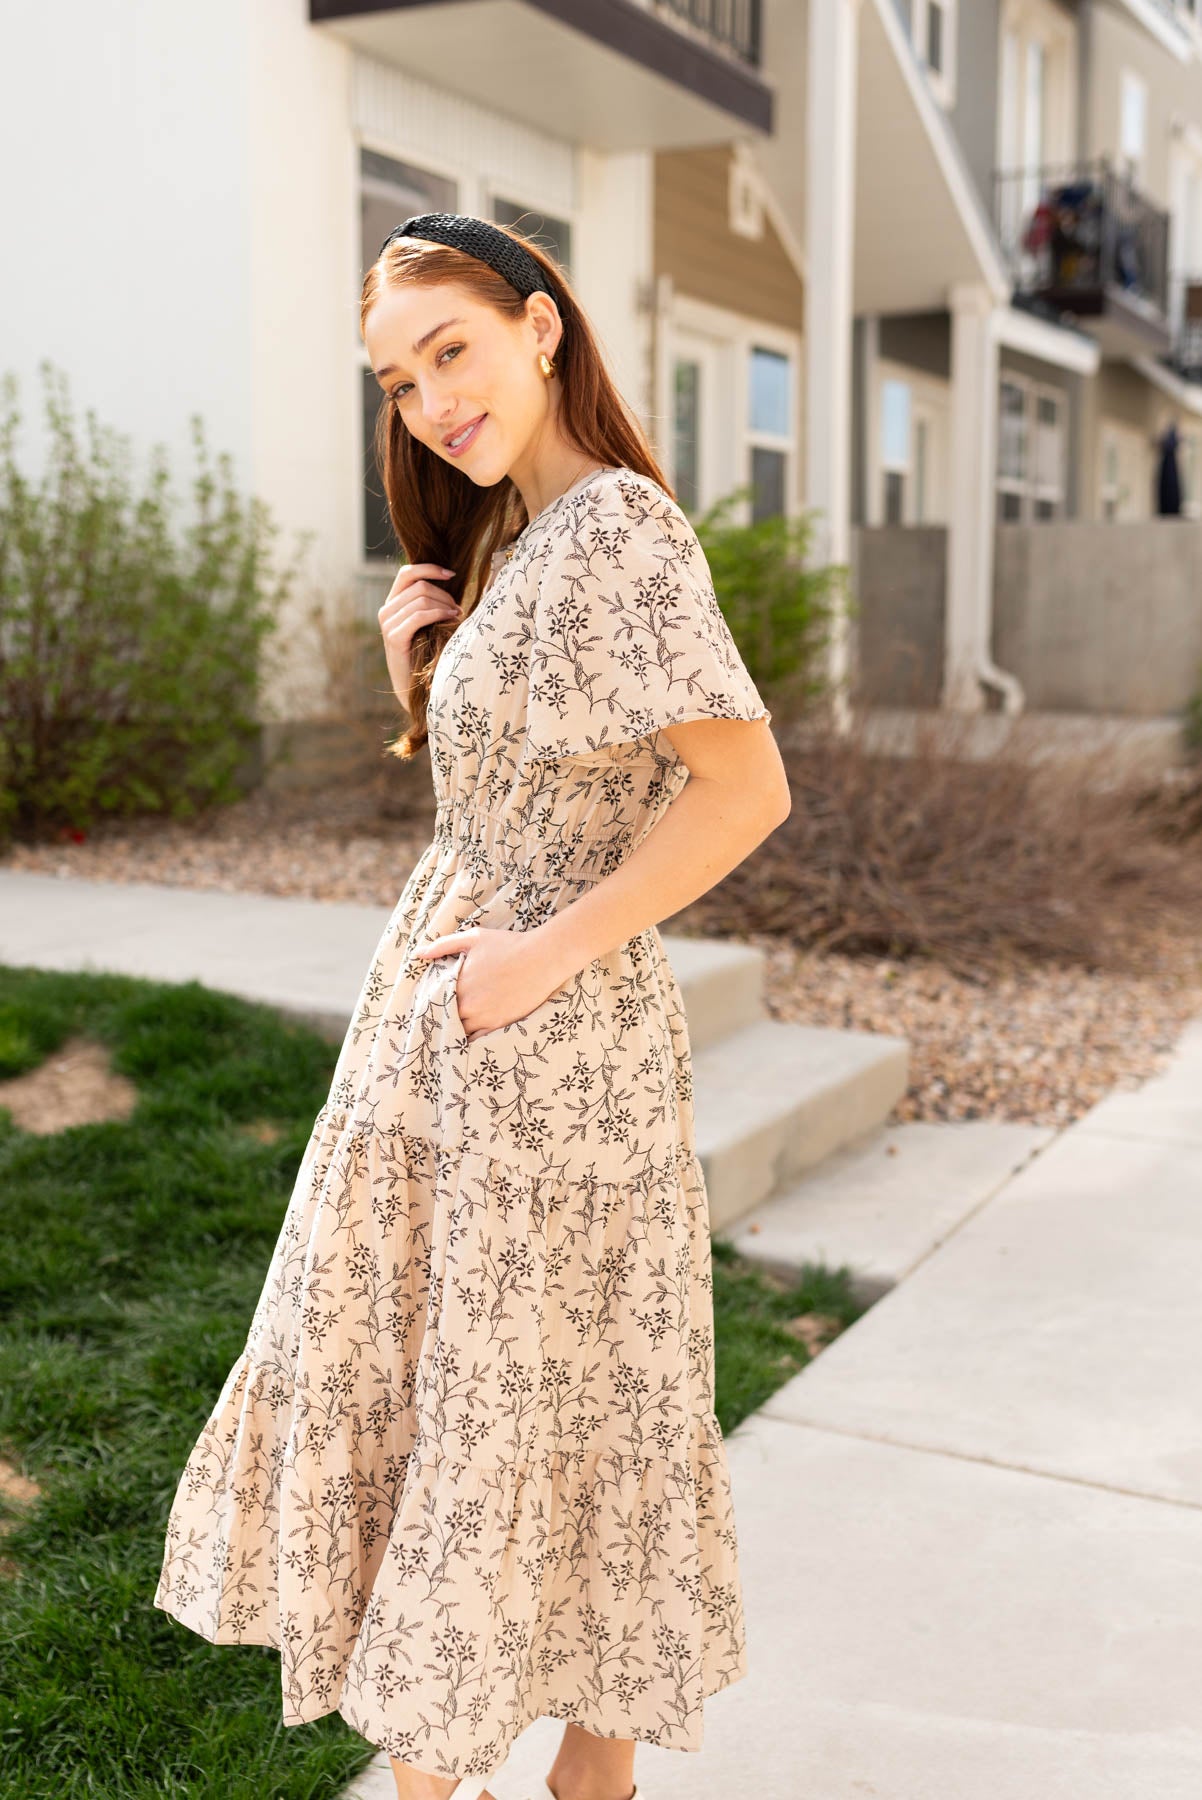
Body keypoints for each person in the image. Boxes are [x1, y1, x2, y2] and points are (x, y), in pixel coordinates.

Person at [153, 211, 791, 1800]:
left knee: (536, 1403)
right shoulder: (519, 533)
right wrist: (418, 677)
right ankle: (576, 1772)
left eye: (452, 351)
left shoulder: (619, 528)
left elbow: (740, 792)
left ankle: (492, 1774)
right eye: (398, 378)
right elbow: (529, 781)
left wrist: (542, 954)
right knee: (506, 1398)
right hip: (456, 1035)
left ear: (540, 328)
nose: (432, 399)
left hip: (547, 1046)